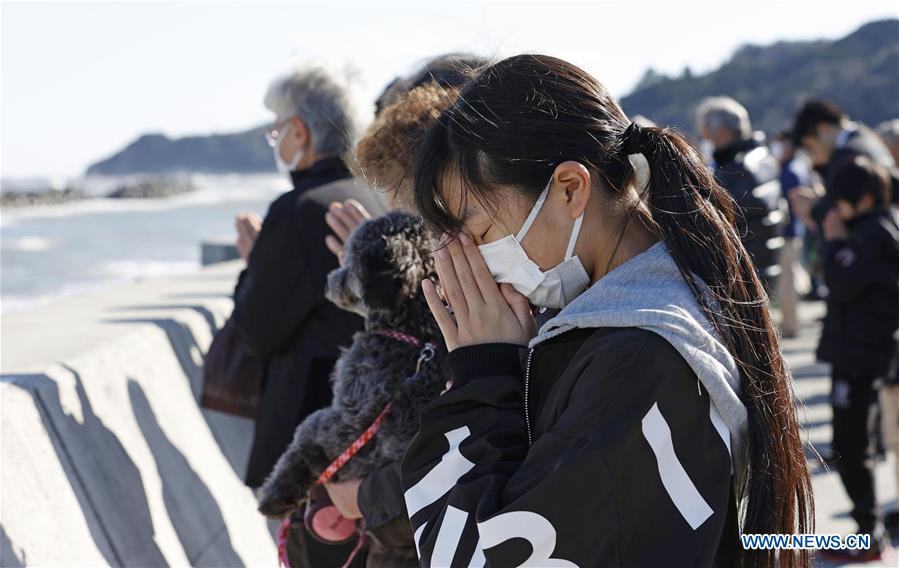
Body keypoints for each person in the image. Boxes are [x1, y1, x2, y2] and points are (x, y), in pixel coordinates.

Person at [403, 55, 813, 567]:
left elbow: (480, 557)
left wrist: (482, 377)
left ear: (570, 189)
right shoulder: (668, 299)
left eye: (481, 233)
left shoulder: (636, 357)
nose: (475, 263)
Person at [230, 63, 386, 566]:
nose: (277, 141)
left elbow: (256, 332)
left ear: (299, 131)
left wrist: (253, 269)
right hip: (378, 436)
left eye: (278, 130)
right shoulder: (378, 198)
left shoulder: (298, 209)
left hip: (312, 439)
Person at [816, 156, 898, 562]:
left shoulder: (874, 234)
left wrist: (833, 243)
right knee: (851, 444)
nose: (835, 208)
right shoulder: (872, 228)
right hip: (858, 352)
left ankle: (868, 535)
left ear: (863, 199)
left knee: (851, 446)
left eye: (841, 201)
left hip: (860, 356)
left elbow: (842, 281)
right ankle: (868, 529)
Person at [696, 96, 786, 289]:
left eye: (707, 135)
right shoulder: (763, 157)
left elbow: (717, 220)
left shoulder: (735, 170)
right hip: (766, 266)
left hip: (743, 275)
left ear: (723, 132)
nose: (707, 141)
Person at [790, 100, 895, 227]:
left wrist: (814, 207)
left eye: (810, 146)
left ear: (823, 129)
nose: (812, 154)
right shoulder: (864, 134)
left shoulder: (847, 155)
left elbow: (845, 208)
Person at [772, 129, 813, 337]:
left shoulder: (789, 170)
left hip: (787, 231)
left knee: (786, 280)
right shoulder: (799, 165)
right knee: (792, 275)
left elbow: (788, 204)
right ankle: (791, 321)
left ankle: (790, 324)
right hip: (795, 230)